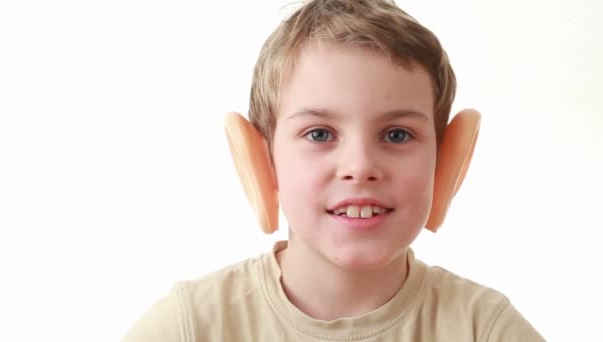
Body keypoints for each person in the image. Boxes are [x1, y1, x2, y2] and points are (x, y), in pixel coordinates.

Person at [122, 0, 544, 340]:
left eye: (397, 135)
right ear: (262, 162)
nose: (360, 168)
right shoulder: (192, 326)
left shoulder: (484, 329)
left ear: (445, 161)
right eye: (320, 134)